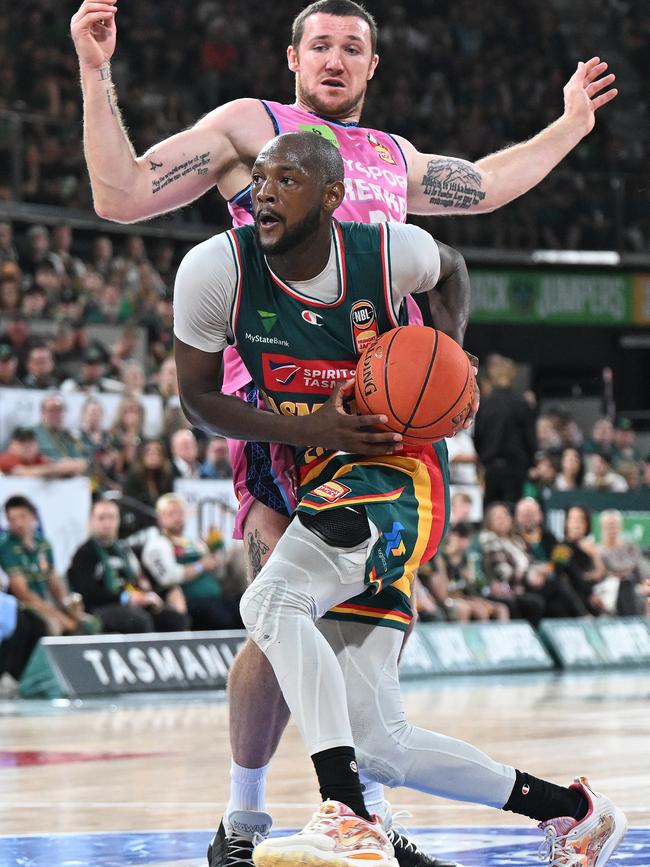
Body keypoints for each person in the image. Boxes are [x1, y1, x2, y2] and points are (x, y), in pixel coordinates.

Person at [71, 1, 619, 861]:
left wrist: (569, 124)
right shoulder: (253, 128)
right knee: (276, 617)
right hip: (277, 420)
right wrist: (95, 72)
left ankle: (366, 811)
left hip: (381, 429)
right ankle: (250, 814)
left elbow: (485, 181)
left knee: (339, 656)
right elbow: (123, 192)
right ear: (292, 56)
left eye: (352, 47)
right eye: (319, 44)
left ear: (372, 67)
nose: (334, 58)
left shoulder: (391, 159)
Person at [174, 133, 626, 867]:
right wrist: (307, 424)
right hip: (319, 475)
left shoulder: (385, 252)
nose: (262, 190)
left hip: (398, 472)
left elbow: (450, 265)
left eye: (286, 178)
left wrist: (447, 342)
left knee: (271, 604)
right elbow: (196, 399)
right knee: (381, 742)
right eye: (257, 177)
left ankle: (346, 814)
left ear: (329, 196)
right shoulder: (215, 269)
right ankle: (576, 812)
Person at [67, 499, 189, 632]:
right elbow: (88, 594)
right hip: (102, 607)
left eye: (112, 518)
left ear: (118, 520)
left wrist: (148, 595)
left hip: (133, 601)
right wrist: (124, 598)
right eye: (101, 518)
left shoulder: (124, 549)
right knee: (138, 620)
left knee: (174, 619)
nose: (107, 523)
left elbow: (139, 579)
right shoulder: (84, 553)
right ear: (91, 521)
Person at [142, 494, 241, 630]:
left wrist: (216, 549)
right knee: (221, 618)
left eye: (180, 513)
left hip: (216, 597)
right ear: (160, 518)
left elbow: (219, 575)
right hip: (190, 602)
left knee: (243, 610)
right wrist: (200, 566)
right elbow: (167, 577)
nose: (177, 518)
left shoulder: (195, 543)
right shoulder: (158, 545)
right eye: (171, 514)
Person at [0, 496, 83, 636]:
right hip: (22, 607)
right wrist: (58, 616)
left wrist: (68, 604)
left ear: (34, 516)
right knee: (52, 626)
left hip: (44, 601)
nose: (19, 523)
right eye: (13, 519)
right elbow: (22, 594)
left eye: (22, 516)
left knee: (86, 623)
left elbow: (54, 581)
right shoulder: (6, 546)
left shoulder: (43, 543)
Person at [473, 356, 537, 506]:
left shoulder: (485, 404)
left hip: (491, 467)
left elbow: (478, 436)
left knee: (491, 510)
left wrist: (483, 458)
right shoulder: (522, 404)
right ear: (512, 375)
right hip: (516, 467)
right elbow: (530, 439)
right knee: (513, 510)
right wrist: (531, 461)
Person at [552, 505, 607, 616]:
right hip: (568, 599)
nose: (577, 524)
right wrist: (589, 577)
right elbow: (563, 576)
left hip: (589, 596)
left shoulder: (590, 549)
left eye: (581, 520)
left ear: (587, 524)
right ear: (566, 523)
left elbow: (600, 575)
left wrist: (594, 555)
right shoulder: (561, 547)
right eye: (573, 519)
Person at [597, 509, 648, 616]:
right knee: (626, 583)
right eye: (610, 525)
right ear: (602, 527)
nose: (613, 529)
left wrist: (644, 584)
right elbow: (604, 574)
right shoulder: (599, 551)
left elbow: (641, 570)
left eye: (616, 525)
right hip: (611, 590)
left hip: (635, 587)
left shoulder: (630, 547)